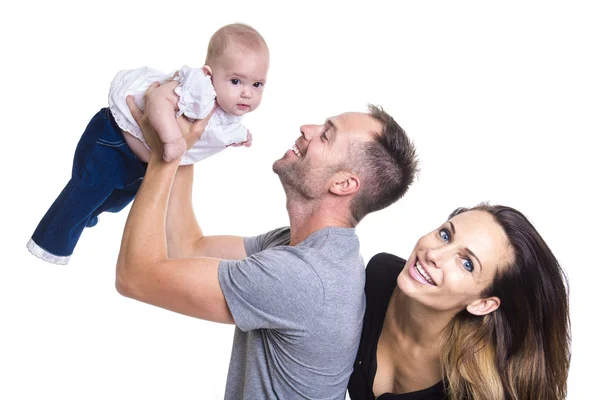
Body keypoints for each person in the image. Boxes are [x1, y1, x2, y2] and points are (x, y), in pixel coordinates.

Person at [115, 85, 419, 399]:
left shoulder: (303, 277)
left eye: (327, 135)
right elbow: (188, 247)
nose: (307, 128)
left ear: (343, 184)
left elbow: (135, 277)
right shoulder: (308, 249)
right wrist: (186, 144)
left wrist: (165, 157)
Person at [27, 23, 268, 265]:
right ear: (209, 73)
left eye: (257, 84)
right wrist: (172, 139)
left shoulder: (230, 113)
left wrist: (240, 137)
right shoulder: (198, 89)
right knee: (83, 195)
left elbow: (217, 133)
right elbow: (157, 98)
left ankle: (86, 214)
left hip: (141, 167)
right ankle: (48, 248)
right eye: (236, 81)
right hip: (113, 141)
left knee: (111, 203)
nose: (247, 93)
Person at [347, 203, 571, 400]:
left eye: (466, 264)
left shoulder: (473, 390)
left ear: (482, 304)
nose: (434, 255)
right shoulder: (378, 277)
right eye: (445, 235)